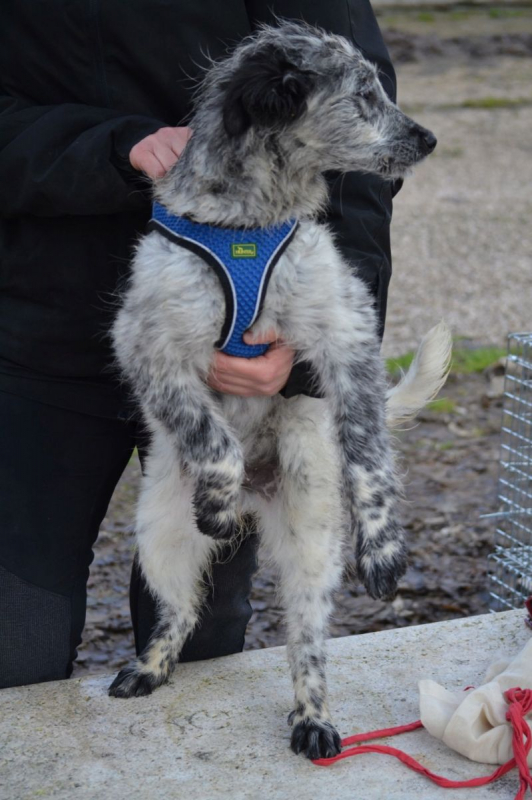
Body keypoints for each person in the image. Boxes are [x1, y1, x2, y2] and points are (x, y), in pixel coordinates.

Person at [0, 0, 399, 688]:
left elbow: (357, 138)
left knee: (201, 646)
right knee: (16, 639)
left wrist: (304, 357)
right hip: (42, 341)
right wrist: (111, 146)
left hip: (240, 363)